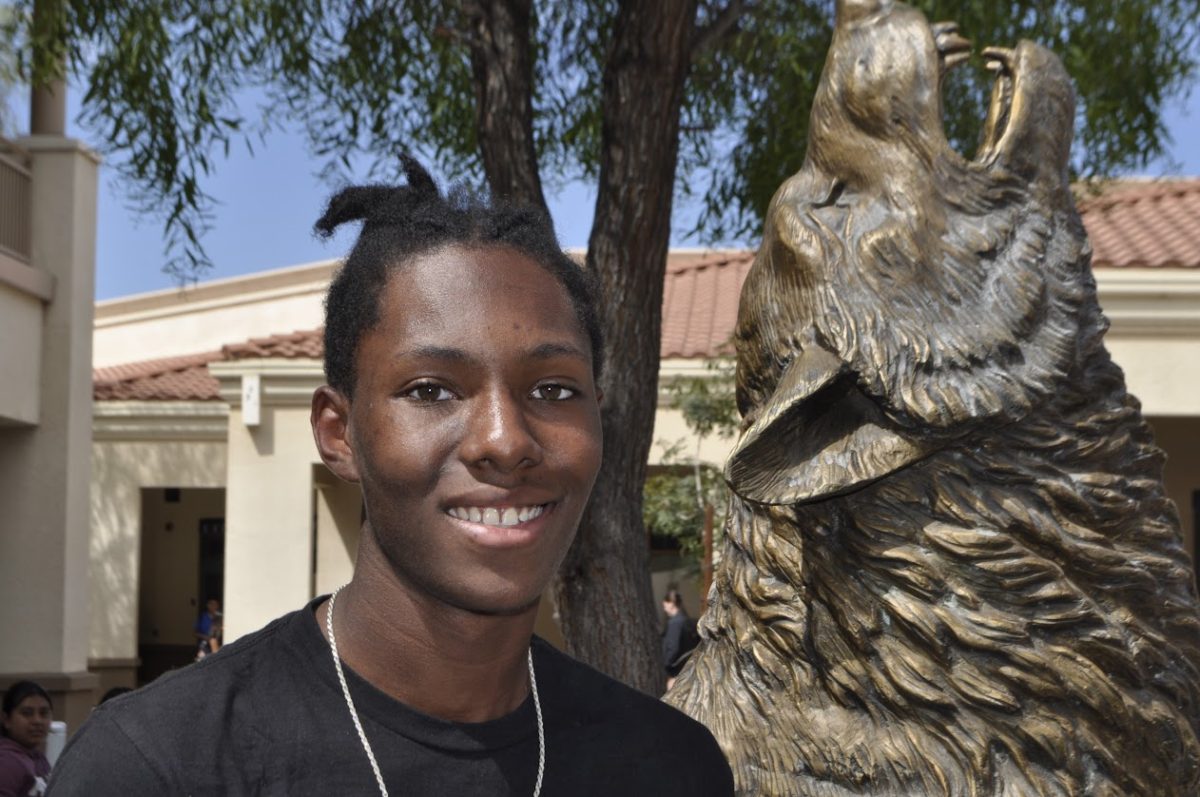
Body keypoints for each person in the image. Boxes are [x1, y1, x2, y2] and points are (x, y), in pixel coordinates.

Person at [49, 157, 734, 796]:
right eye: (432, 389)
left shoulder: (668, 766)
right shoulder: (159, 766)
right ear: (338, 432)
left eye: (553, 390)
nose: (505, 439)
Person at [0, 681, 52, 797]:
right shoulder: (6, 762)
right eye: (27, 713)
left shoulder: (39, 758)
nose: (37, 721)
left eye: (44, 713)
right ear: (6, 719)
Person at [661, 589, 699, 690]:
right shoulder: (689, 621)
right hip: (691, 669)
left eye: (665, 606)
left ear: (671, 603)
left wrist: (667, 665)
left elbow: (674, 647)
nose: (664, 609)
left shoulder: (674, 623)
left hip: (677, 672)